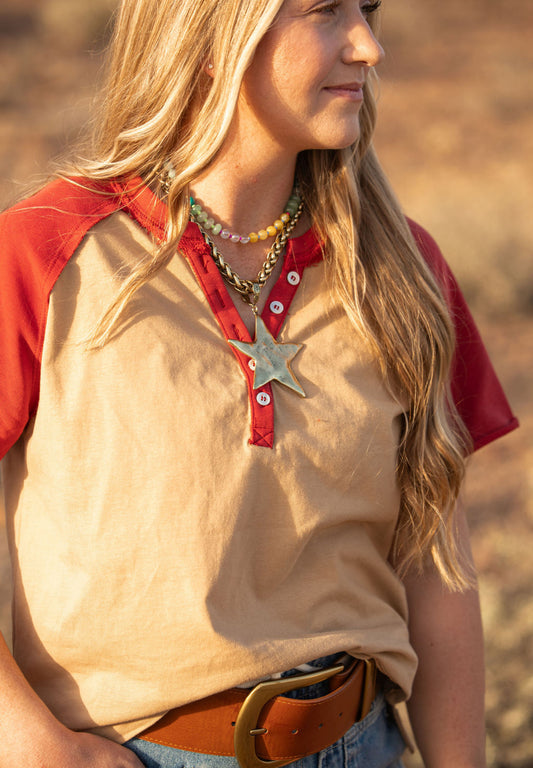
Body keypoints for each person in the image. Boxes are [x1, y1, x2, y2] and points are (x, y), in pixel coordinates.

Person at [0, 0, 519, 767]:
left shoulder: (399, 270)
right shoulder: (44, 251)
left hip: (363, 745)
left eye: (368, 11)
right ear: (211, 34)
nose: (368, 46)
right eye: (325, 11)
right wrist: (28, 738)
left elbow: (434, 561)